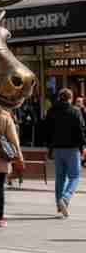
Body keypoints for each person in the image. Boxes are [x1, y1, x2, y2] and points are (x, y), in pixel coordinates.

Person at [45, 88, 86, 218]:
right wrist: (83, 146)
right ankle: (66, 198)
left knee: (60, 177)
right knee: (74, 176)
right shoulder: (75, 111)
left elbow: (47, 130)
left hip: (57, 149)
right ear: (71, 98)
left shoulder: (52, 111)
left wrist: (49, 147)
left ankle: (59, 203)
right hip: (72, 149)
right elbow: (81, 130)